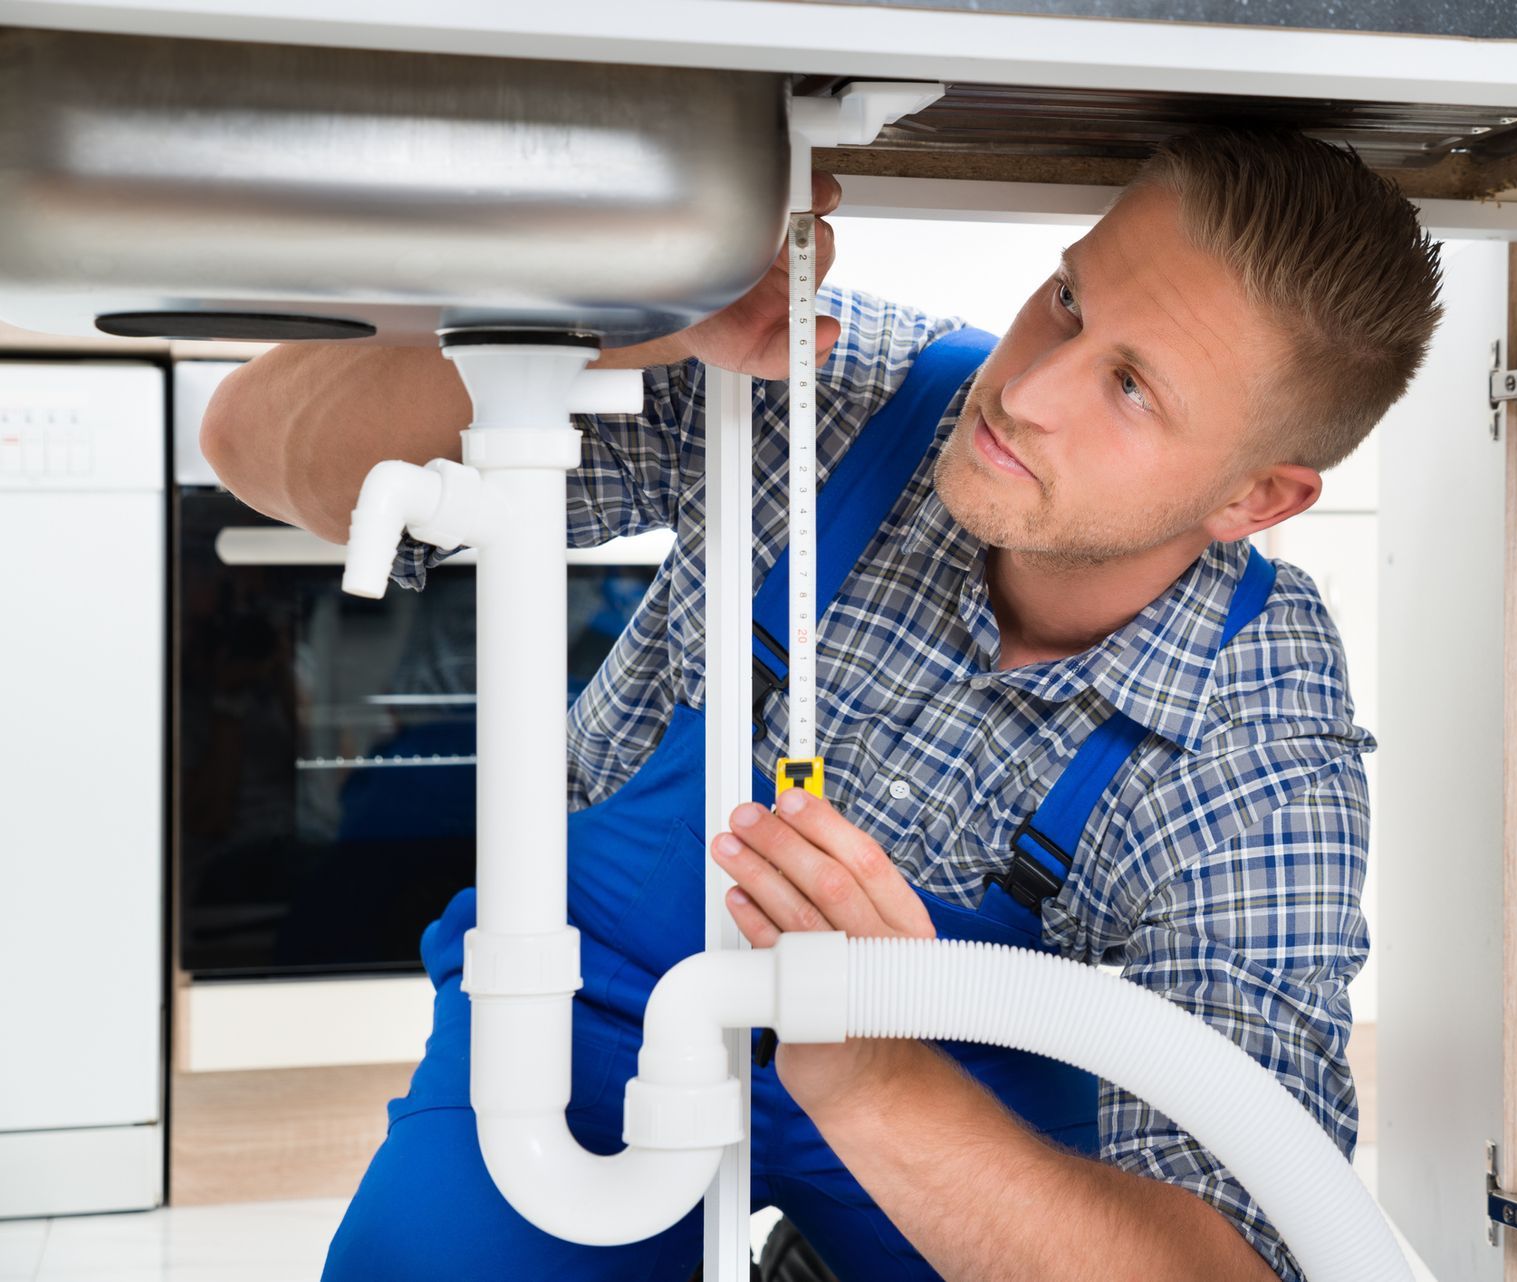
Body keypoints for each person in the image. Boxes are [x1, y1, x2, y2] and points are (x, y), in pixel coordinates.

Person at [202, 125, 1444, 1282]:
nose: (1029, 389)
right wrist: (628, 320)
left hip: (943, 1129)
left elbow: (1241, 1256)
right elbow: (249, 438)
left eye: (1132, 387)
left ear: (1259, 500)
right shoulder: (830, 392)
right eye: (1068, 298)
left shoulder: (1259, 735)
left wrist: (877, 1078)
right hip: (580, 1029)